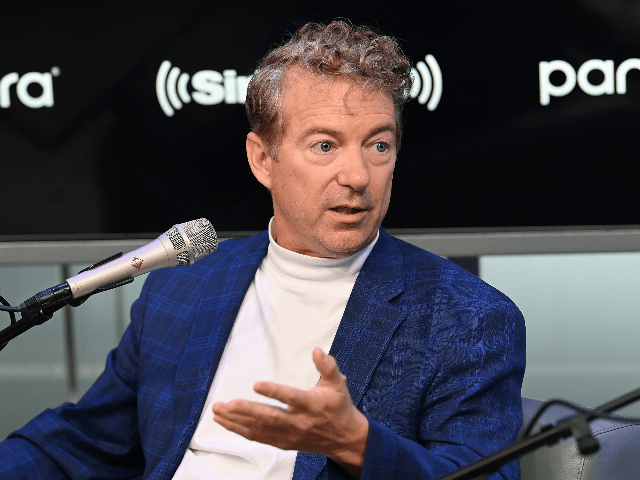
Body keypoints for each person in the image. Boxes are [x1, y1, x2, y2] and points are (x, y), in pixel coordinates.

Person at [0, 20, 525, 479]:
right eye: (325, 145)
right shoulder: (183, 286)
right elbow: (81, 443)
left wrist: (354, 442)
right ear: (262, 159)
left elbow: (480, 476)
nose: (358, 176)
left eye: (378, 145)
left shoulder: (468, 317)